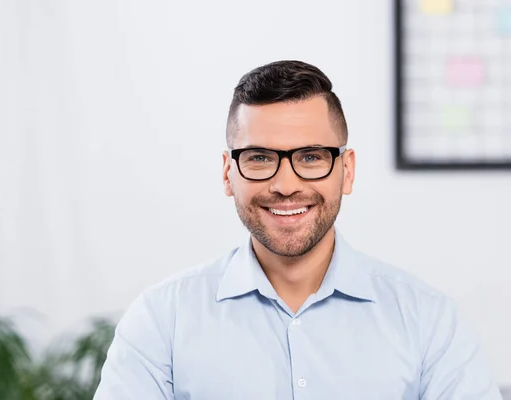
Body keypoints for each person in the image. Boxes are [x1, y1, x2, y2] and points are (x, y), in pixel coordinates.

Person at [93, 60, 502, 399]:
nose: (286, 185)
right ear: (227, 173)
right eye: (258, 157)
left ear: (347, 171)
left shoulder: (430, 322)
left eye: (310, 156)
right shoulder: (162, 320)